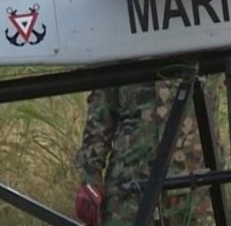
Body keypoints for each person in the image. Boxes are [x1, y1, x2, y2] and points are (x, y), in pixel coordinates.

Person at [74, 79, 216, 226]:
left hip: (192, 184)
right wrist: (90, 176)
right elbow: (100, 113)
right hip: (129, 186)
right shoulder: (117, 56)